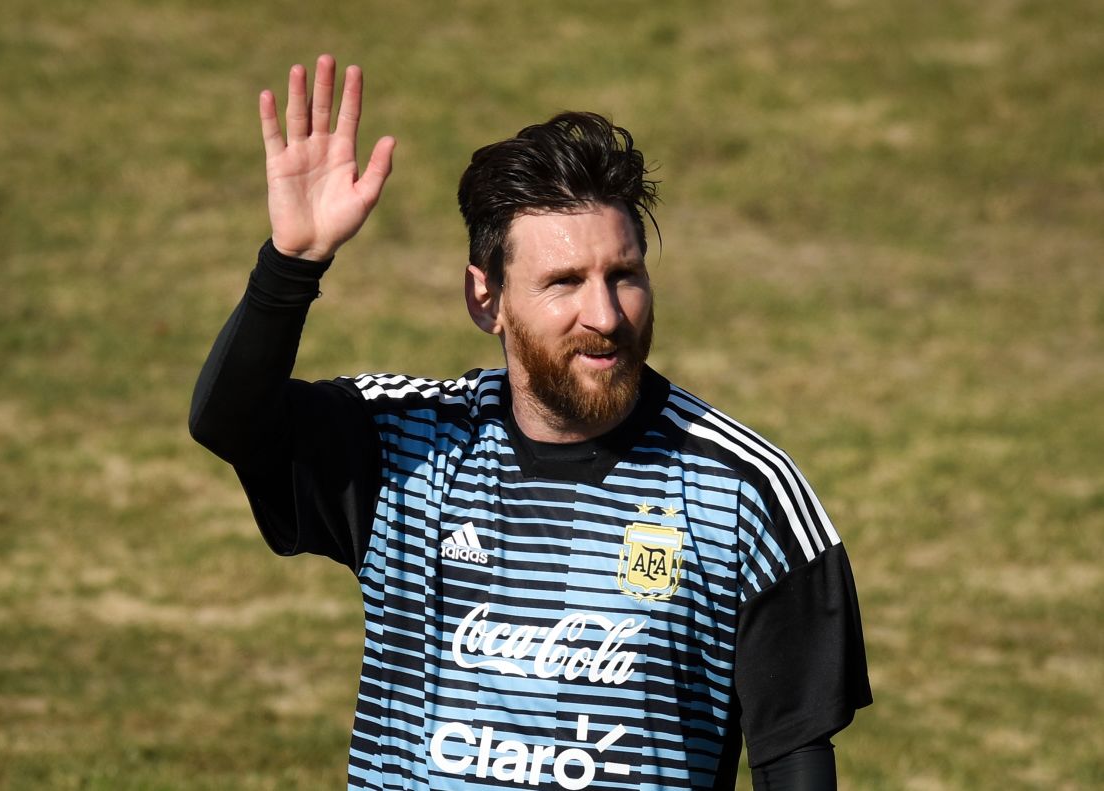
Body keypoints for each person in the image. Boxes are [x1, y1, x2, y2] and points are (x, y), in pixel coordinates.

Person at [190, 54, 872, 791]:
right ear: (486, 300)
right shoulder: (406, 447)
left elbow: (794, 758)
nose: (606, 316)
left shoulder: (743, 494)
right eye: (564, 283)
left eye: (625, 274)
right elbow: (231, 422)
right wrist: (291, 264)